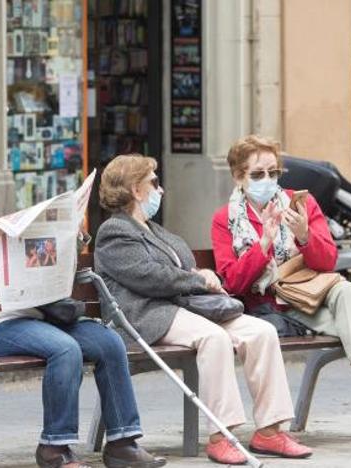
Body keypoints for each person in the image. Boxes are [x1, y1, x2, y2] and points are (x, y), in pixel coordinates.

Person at [0, 155, 166, 468]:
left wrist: (68, 238)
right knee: (64, 349)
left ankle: (122, 443)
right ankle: (54, 448)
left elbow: (49, 271)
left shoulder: (6, 229)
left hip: (35, 314)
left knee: (108, 341)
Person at [94, 154, 313, 465]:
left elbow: (183, 266)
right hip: (146, 316)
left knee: (261, 331)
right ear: (135, 190)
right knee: (214, 338)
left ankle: (270, 431)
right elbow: (149, 277)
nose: (161, 190)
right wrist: (197, 278)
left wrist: (202, 275)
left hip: (183, 308)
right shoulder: (114, 231)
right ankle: (222, 436)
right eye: (154, 183)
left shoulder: (156, 230)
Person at [211, 135, 351, 449]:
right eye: (257, 175)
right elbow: (233, 284)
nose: (267, 181)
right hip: (271, 309)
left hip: (311, 295)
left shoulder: (301, 203)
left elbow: (328, 261)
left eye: (273, 173)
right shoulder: (224, 220)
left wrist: (304, 235)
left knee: (349, 293)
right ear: (238, 177)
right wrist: (264, 244)